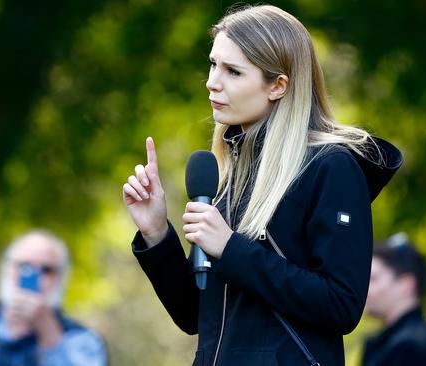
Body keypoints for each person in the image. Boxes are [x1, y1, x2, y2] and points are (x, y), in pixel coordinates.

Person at [122, 4, 403, 366]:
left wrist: (231, 248)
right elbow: (195, 316)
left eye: (233, 71)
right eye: (213, 64)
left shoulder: (330, 167)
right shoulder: (230, 176)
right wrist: (157, 234)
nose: (212, 81)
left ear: (278, 86)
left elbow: (342, 305)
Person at [0, 230, 107, 366]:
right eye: (24, 266)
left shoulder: (82, 340)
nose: (35, 277)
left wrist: (49, 335)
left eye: (47, 270)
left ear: (61, 278)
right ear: (7, 269)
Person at [362, 233, 426, 366]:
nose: (366, 289)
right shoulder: (397, 341)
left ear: (406, 285)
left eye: (373, 279)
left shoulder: (410, 345)